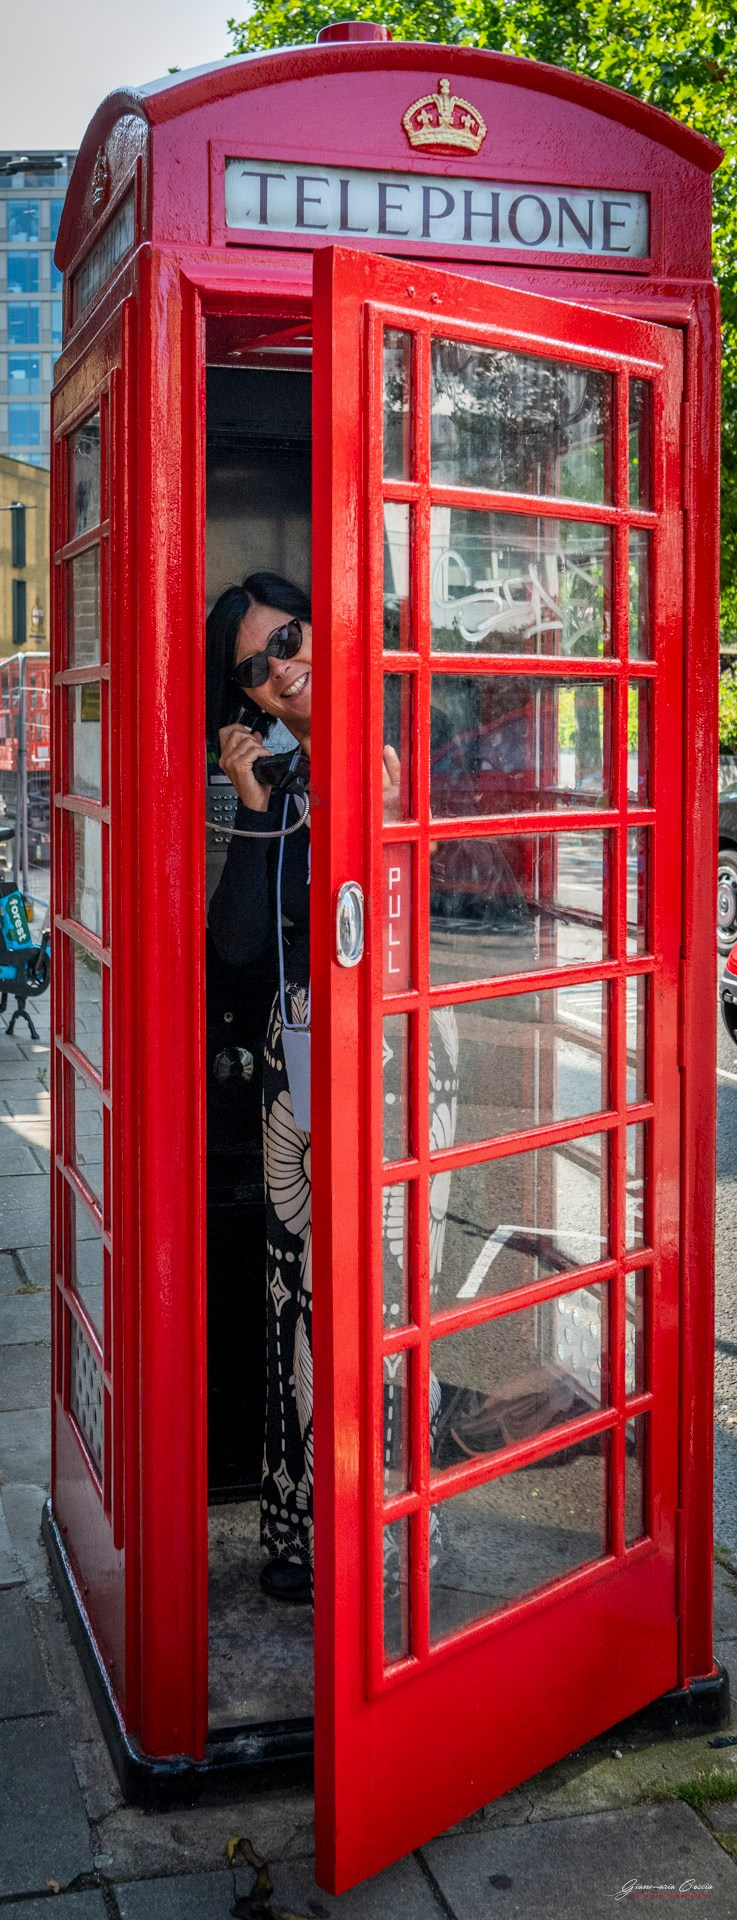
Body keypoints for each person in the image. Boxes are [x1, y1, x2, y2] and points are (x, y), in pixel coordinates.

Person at [207, 571, 460, 1607]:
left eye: (290, 637)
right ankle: (300, 1525)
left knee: (396, 1289)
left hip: (397, 1050)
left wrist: (394, 824)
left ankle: (403, 1524)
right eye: (258, 667)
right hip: (295, 1067)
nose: (283, 666)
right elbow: (233, 955)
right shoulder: (275, 781)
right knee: (296, 1300)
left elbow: (470, 906)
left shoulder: (401, 733)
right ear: (249, 702)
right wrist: (259, 810)